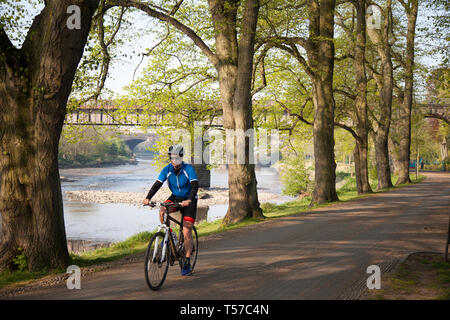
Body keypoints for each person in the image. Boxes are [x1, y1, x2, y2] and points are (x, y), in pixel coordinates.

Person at [143, 144, 198, 276]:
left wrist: (189, 200)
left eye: (177, 158)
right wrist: (147, 198)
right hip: (175, 196)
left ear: (181, 158)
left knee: (186, 231)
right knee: (162, 210)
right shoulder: (167, 169)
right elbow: (158, 184)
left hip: (189, 199)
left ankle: (187, 262)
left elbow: (195, 185)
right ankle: (170, 234)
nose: (174, 161)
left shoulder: (188, 169)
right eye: (172, 158)